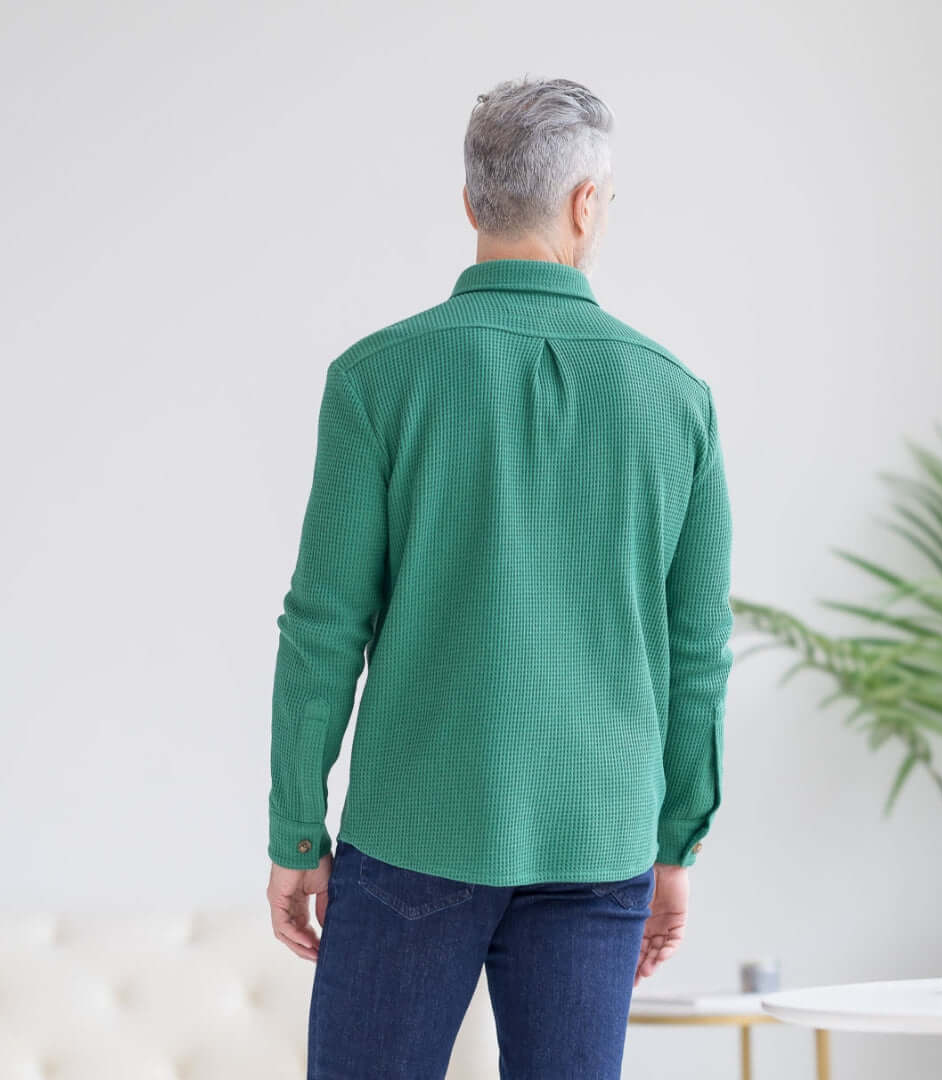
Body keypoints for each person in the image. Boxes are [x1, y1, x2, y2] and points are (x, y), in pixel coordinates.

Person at [265, 75, 734, 1079]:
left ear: (473, 203)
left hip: (414, 829)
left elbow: (322, 627)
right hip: (599, 838)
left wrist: (295, 831)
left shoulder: (376, 379)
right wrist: (677, 845)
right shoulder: (674, 399)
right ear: (584, 204)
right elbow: (697, 650)